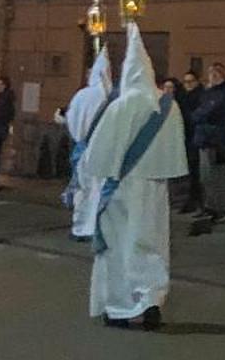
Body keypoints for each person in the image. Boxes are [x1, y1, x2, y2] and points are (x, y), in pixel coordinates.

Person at [83, 27, 186, 330]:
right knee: (152, 242)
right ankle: (151, 299)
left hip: (122, 185)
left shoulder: (121, 106)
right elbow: (177, 147)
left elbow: (98, 152)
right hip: (154, 184)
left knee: (117, 245)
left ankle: (119, 306)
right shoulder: (169, 106)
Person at [62, 45, 115, 241]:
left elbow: (71, 119)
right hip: (104, 151)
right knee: (100, 190)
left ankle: (80, 228)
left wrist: (78, 136)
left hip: (83, 149)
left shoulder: (81, 96)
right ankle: (97, 228)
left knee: (83, 191)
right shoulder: (112, 98)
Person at [188, 62, 225, 225]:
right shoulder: (209, 93)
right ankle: (209, 207)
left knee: (216, 177)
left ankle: (219, 210)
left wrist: (198, 116)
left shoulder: (224, 94)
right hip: (205, 139)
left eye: (214, 75)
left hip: (216, 141)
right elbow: (199, 111)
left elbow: (206, 112)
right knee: (206, 177)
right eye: (210, 74)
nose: (211, 78)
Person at [175, 70, 201, 212]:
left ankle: (195, 199)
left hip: (195, 137)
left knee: (194, 169)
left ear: (197, 82)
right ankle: (192, 198)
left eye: (191, 81)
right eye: (186, 81)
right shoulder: (183, 96)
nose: (188, 84)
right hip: (187, 136)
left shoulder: (199, 96)